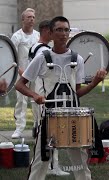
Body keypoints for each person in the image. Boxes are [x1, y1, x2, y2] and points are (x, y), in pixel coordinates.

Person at [15, 16, 106, 180]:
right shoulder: (42, 57)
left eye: (66, 30)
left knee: (80, 164)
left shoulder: (77, 59)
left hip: (73, 118)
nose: (63, 34)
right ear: (50, 33)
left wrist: (94, 83)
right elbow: (20, 84)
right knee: (40, 161)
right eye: (58, 30)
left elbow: (76, 93)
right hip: (50, 117)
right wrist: (35, 95)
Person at [27, 19, 69, 176]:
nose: (61, 34)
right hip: (44, 94)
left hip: (40, 91)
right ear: (47, 31)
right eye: (57, 30)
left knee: (44, 130)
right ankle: (52, 166)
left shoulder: (35, 48)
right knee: (49, 131)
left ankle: (49, 164)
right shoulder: (43, 52)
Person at [11, 8, 40, 139]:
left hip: (36, 74)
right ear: (23, 19)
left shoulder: (38, 36)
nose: (31, 19)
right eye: (28, 17)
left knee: (36, 99)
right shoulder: (17, 36)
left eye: (33, 17)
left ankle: (37, 126)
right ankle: (19, 128)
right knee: (21, 101)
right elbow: (12, 57)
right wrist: (20, 71)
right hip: (21, 74)